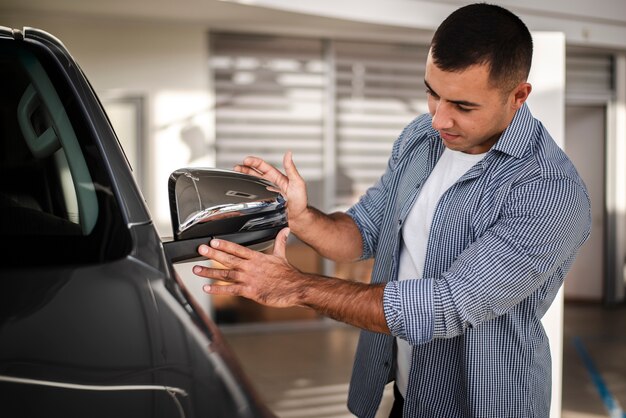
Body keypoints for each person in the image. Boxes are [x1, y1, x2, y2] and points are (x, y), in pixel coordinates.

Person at [193, 3, 591, 417]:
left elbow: (445, 306)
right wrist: (302, 216)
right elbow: (363, 232)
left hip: (484, 405)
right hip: (408, 393)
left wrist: (294, 286)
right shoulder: (422, 138)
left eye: (463, 106)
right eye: (432, 93)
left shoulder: (549, 191)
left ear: (518, 96)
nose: (439, 118)